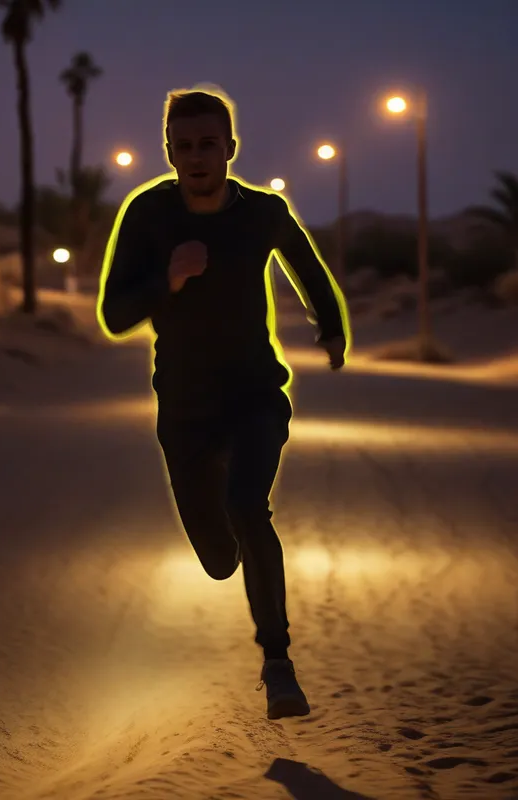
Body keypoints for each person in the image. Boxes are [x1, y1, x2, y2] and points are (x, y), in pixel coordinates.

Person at [98, 88, 349, 720]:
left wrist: (332, 324)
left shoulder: (262, 212)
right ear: (170, 152)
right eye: (184, 146)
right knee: (218, 559)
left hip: (255, 394)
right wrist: (169, 280)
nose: (197, 157)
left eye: (209, 144)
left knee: (247, 506)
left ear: (230, 149)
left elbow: (307, 268)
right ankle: (231, 538)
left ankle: (278, 664)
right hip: (184, 410)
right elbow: (114, 312)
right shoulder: (148, 214)